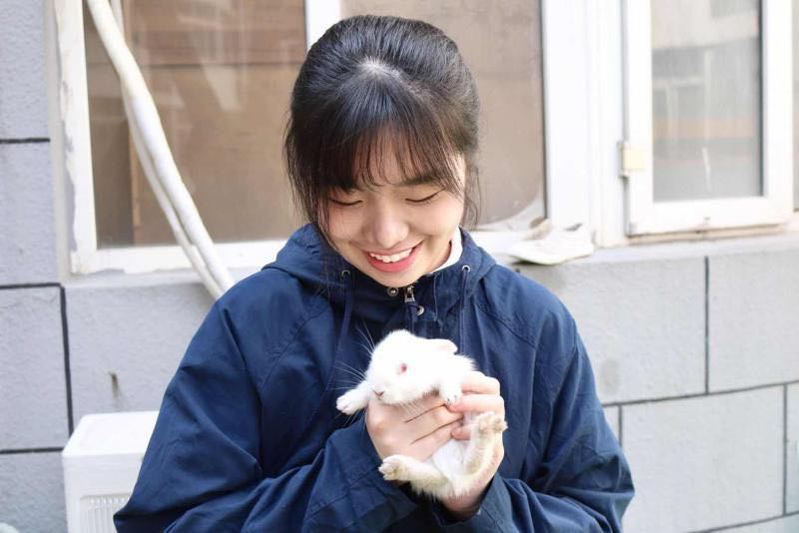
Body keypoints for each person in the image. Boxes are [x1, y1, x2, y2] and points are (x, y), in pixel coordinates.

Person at [114, 15, 634, 532]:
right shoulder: (251, 325)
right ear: (307, 179)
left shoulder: (535, 326)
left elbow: (595, 515)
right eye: (347, 197)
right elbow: (168, 523)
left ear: (467, 167)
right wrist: (363, 468)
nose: (386, 234)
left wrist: (477, 500)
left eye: (421, 194)